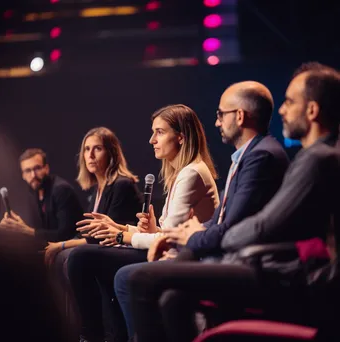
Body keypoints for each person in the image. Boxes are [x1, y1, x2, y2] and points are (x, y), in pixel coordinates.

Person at [128, 63, 340, 342]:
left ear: (312, 110)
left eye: (289, 102)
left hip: (292, 278)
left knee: (141, 279)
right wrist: (197, 236)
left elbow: (264, 226)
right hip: (283, 267)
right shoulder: (314, 155)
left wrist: (201, 237)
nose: (282, 110)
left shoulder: (316, 158)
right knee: (173, 297)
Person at [114, 81, 290, 340]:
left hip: (248, 262)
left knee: (132, 277)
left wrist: (185, 237)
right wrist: (175, 235)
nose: (217, 122)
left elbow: (230, 228)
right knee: (169, 295)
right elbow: (222, 221)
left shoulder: (260, 157)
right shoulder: (248, 155)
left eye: (221, 114)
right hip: (224, 251)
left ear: (239, 116)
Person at [67, 104, 220, 342]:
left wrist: (121, 236)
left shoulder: (191, 173)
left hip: (183, 257)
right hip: (171, 251)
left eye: (159, 132)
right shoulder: (183, 172)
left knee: (84, 258)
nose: (152, 140)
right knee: (88, 259)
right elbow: (167, 233)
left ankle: (99, 336)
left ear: (181, 137)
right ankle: (109, 335)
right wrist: (122, 228)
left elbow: (170, 242)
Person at [43, 127, 142, 265]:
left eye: (97, 149)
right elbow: (88, 231)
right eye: (87, 149)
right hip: (102, 245)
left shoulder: (122, 185)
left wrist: (63, 245)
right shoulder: (97, 189)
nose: (90, 155)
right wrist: (59, 244)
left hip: (123, 247)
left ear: (111, 154)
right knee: (59, 255)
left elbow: (106, 234)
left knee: (70, 255)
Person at [0, 148, 83, 246]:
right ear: (23, 175)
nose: (33, 175)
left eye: (37, 168)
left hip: (73, 246)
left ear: (46, 169)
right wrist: (17, 226)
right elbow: (44, 231)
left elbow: (65, 235)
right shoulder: (36, 191)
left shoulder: (61, 190)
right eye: (28, 170)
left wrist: (26, 230)